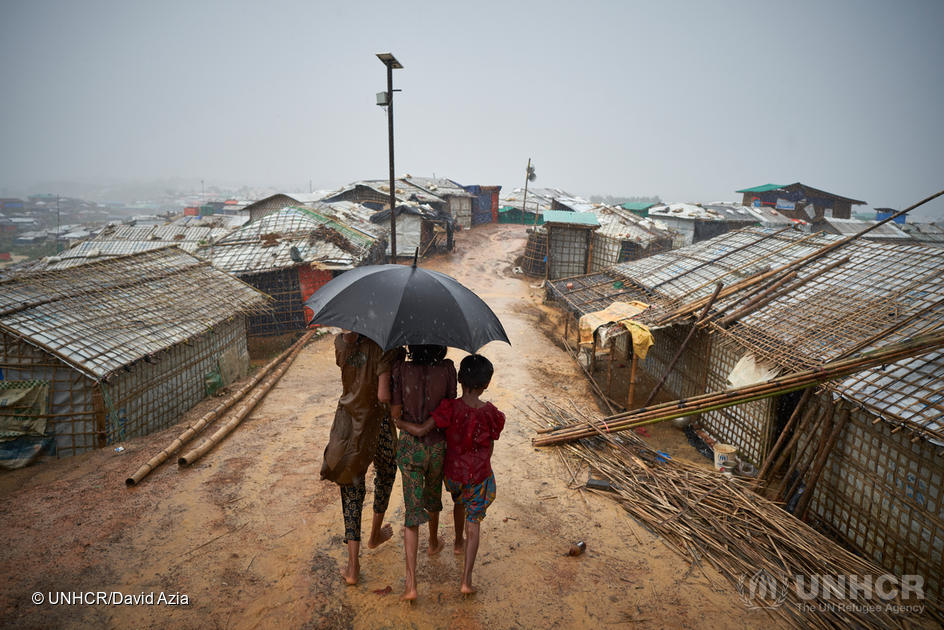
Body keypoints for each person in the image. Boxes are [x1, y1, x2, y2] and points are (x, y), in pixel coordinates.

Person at [320, 331, 402, 585]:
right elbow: (383, 396)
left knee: (352, 487)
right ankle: (375, 533)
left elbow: (347, 354)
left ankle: (353, 565)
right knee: (386, 472)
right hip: (379, 423)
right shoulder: (387, 345)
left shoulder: (339, 343)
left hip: (349, 425)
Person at [431, 354, 505, 595]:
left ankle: (456, 541)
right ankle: (466, 581)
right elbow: (492, 443)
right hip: (479, 475)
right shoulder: (491, 413)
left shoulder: (450, 407)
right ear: (486, 385)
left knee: (458, 502)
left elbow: (440, 428)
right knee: (475, 522)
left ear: (460, 379)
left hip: (453, 474)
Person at [390, 344, 457, 601]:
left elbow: (395, 413)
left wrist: (413, 427)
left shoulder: (401, 370)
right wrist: (429, 425)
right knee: (433, 496)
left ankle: (411, 584)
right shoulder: (448, 369)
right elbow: (450, 406)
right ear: (441, 344)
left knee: (412, 510)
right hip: (437, 445)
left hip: (409, 448)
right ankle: (432, 543)